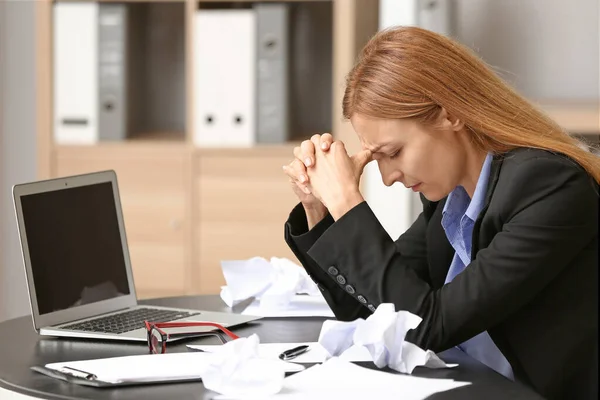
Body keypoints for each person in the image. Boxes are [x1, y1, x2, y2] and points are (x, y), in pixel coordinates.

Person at [282, 26, 599, 400]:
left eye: (393, 153)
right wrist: (319, 208)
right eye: (377, 158)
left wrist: (348, 203)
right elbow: (373, 312)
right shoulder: (451, 200)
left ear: (449, 116)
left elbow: (425, 324)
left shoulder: (548, 186)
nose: (386, 178)